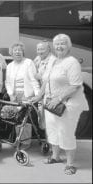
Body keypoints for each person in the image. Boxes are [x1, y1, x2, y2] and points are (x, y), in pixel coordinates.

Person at [31, 34, 89, 175]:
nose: (59, 46)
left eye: (63, 43)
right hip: (50, 104)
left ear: (68, 46)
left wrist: (59, 98)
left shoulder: (72, 62)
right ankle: (55, 157)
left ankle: (70, 164)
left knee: (65, 132)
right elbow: (46, 81)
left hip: (66, 104)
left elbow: (75, 85)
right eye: (57, 44)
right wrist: (39, 96)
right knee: (52, 130)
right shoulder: (53, 61)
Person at [5, 41, 40, 148]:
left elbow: (34, 80)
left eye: (19, 50)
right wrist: (11, 94)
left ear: (23, 52)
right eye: (15, 50)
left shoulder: (28, 62)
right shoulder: (10, 66)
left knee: (26, 119)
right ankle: (18, 139)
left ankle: (25, 143)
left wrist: (37, 96)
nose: (17, 52)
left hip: (27, 95)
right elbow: (7, 82)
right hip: (15, 96)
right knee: (17, 118)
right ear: (11, 53)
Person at [33, 40, 57, 129]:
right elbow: (32, 72)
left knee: (50, 122)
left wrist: (39, 96)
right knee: (43, 122)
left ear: (49, 49)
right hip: (43, 94)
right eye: (38, 49)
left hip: (51, 95)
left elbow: (46, 81)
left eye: (42, 49)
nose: (40, 51)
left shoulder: (53, 61)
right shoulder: (38, 58)